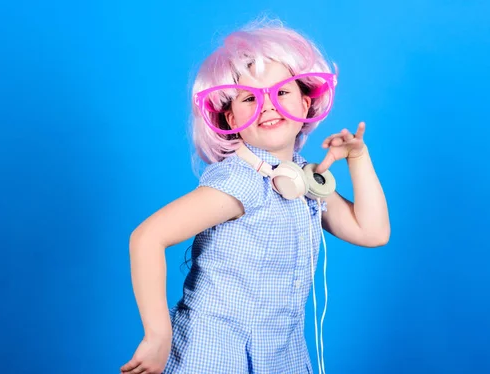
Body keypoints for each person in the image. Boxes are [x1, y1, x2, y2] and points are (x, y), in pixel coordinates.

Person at [121, 18, 390, 374]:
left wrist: (358, 158)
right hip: (215, 352)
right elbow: (147, 237)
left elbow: (372, 232)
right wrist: (157, 336)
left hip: (281, 354)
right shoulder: (241, 181)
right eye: (249, 98)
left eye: (282, 92)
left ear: (307, 102)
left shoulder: (301, 179)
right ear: (228, 116)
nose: (267, 105)